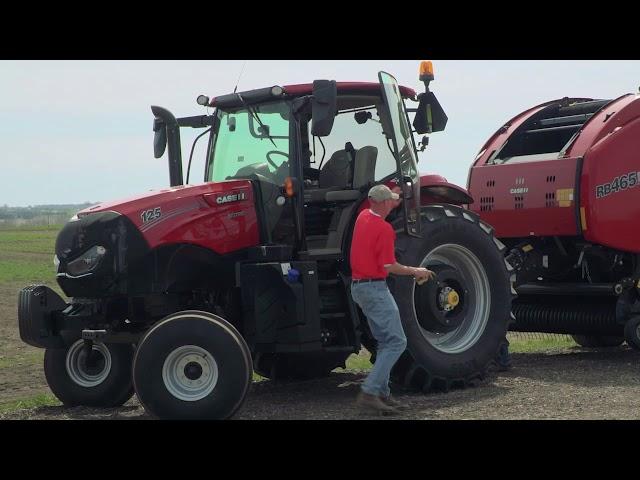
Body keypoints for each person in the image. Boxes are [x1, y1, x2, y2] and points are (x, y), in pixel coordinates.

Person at [350, 184, 434, 415]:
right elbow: (390, 267)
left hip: (359, 288)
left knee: (385, 342)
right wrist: (416, 271)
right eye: (393, 201)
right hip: (374, 288)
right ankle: (369, 392)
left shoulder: (362, 217)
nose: (395, 204)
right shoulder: (384, 229)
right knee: (397, 342)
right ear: (385, 202)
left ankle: (382, 395)